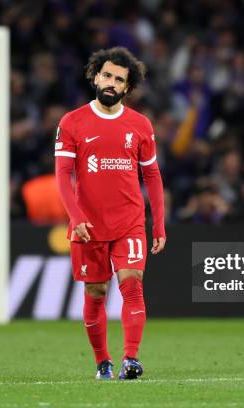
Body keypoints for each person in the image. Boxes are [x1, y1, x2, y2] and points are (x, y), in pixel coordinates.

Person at [55, 47, 166, 380]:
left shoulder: (140, 125)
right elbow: (62, 175)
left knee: (132, 285)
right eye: (107, 75)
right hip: (88, 224)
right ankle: (102, 361)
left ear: (127, 87)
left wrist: (158, 223)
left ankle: (130, 359)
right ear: (95, 76)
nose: (112, 83)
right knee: (96, 292)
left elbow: (153, 175)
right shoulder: (72, 122)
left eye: (120, 79)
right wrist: (75, 217)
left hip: (129, 221)